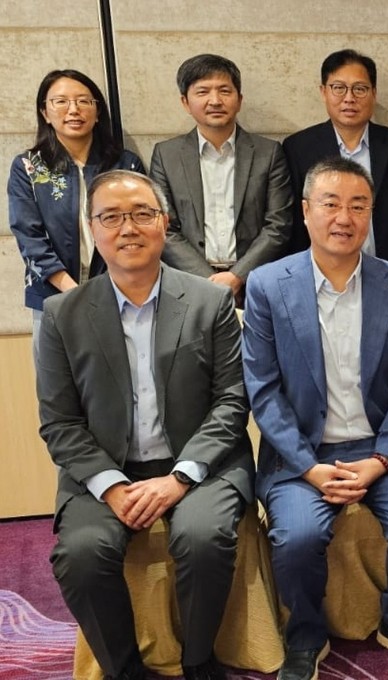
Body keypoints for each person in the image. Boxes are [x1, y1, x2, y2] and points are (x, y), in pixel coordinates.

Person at [36, 170, 254, 680]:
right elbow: (60, 422)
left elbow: (231, 401)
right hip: (105, 468)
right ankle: (125, 670)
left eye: (141, 214)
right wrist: (112, 487)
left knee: (203, 538)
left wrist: (179, 478)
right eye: (110, 217)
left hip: (199, 460)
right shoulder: (61, 314)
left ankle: (199, 659)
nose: (127, 228)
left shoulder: (210, 301)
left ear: (163, 223)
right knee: (81, 555)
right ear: (93, 230)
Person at [242, 157, 388, 680]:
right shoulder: (267, 286)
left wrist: (380, 458)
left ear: (371, 215)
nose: (344, 217)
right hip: (303, 453)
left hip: (385, 447)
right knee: (299, 537)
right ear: (306, 212)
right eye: (330, 203)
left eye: (358, 206)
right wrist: (307, 467)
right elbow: (262, 391)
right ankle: (305, 634)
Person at [9, 69, 144, 354]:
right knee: (57, 386)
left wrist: (108, 289)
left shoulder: (124, 164)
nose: (74, 110)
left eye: (84, 101)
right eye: (61, 102)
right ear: (45, 112)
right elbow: (28, 235)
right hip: (53, 294)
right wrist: (71, 290)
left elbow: (140, 228)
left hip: (119, 293)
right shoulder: (28, 167)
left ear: (97, 112)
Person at [150, 53, 292, 307]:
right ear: (185, 102)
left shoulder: (268, 152)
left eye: (224, 91)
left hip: (254, 284)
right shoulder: (166, 154)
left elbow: (278, 224)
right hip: (189, 286)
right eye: (202, 91)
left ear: (239, 100)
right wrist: (209, 280)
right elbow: (164, 227)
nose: (215, 100)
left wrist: (237, 276)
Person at [282, 49, 388, 270]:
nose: (349, 98)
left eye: (360, 89)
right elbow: (295, 224)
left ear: (374, 93)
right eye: (338, 88)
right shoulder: (298, 148)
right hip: (319, 273)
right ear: (323, 91)